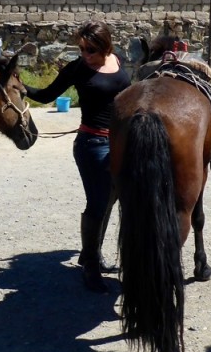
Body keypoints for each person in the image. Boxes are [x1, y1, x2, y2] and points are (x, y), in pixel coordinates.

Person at [24, 20, 131, 292]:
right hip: (92, 143)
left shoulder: (118, 61)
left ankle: (88, 253)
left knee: (114, 199)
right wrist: (20, 86)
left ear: (105, 46)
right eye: (81, 48)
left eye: (90, 49)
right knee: (98, 202)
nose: (85, 54)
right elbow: (47, 94)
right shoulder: (78, 68)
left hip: (120, 142)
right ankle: (90, 267)